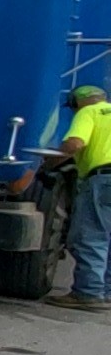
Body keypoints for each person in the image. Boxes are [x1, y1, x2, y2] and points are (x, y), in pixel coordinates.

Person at [44, 85, 111, 310]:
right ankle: (107, 292)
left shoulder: (89, 112)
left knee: (90, 236)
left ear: (78, 103)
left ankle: (88, 293)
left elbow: (75, 143)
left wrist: (48, 164)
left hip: (104, 179)